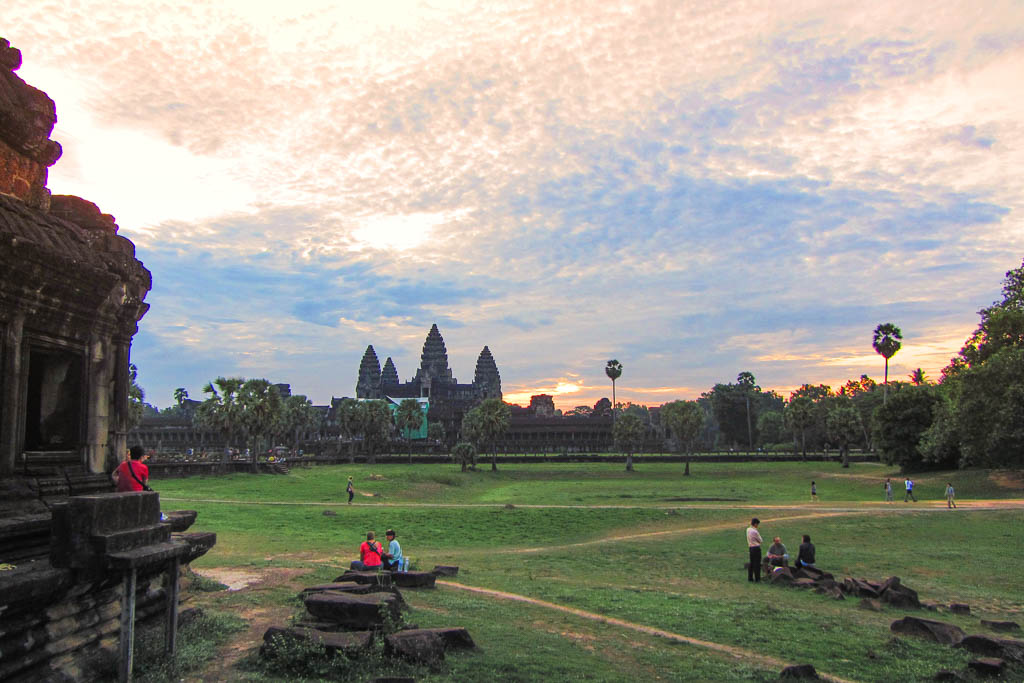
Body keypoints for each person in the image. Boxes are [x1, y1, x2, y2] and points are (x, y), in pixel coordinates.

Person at [746, 518, 763, 583]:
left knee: (751, 563)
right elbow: (760, 540)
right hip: (756, 548)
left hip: (750, 548)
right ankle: (757, 578)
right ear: (755, 524)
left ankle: (750, 577)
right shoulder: (755, 531)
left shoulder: (748, 529)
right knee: (757, 564)